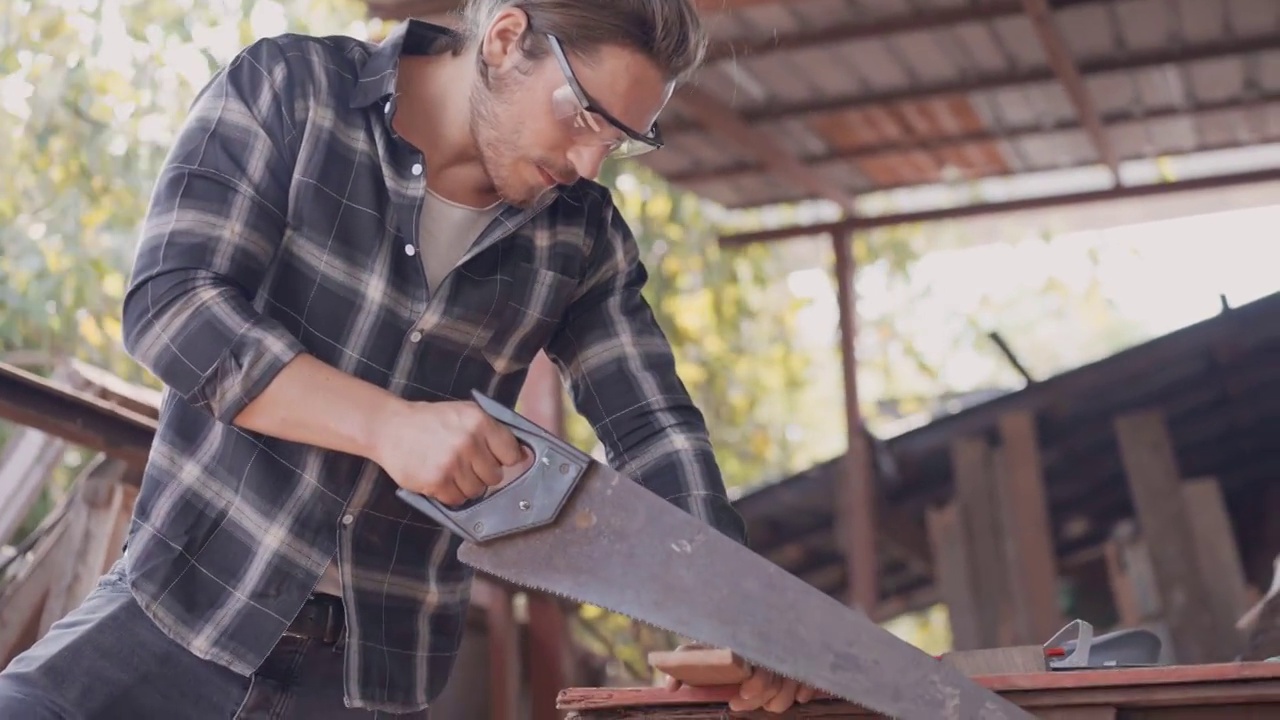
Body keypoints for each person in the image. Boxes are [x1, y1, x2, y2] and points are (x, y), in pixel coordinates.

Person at [0, 0, 816, 716]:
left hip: (373, 682)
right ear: (504, 38)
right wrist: (389, 429)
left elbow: (655, 431)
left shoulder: (582, 237)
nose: (589, 162)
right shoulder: (290, 94)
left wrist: (736, 619)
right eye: (581, 116)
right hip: (174, 612)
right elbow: (172, 305)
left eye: (619, 139)